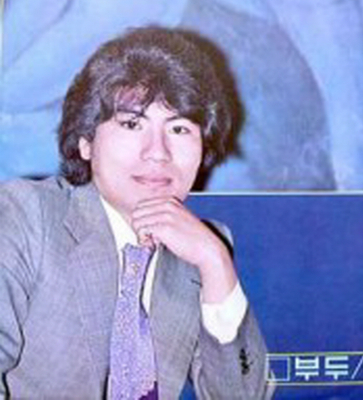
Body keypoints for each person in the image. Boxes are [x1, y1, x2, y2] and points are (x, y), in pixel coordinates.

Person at [0, 26, 272, 399]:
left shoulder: (201, 246)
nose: (158, 152)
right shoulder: (27, 216)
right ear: (86, 142)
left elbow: (242, 396)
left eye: (179, 129)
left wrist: (215, 262)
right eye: (132, 124)